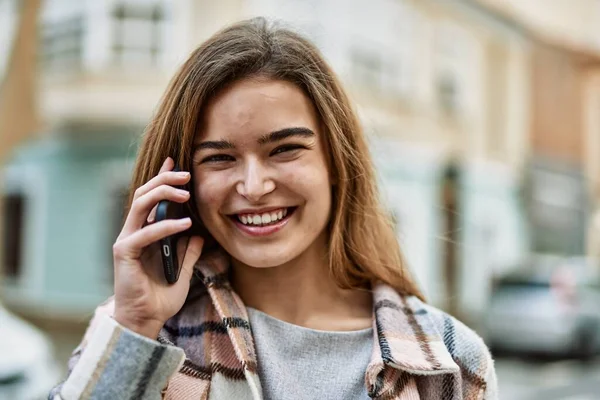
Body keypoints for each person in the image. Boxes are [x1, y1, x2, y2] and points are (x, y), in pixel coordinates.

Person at [49, 18, 497, 400]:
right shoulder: (139, 334)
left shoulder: (450, 360)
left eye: (284, 150)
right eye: (219, 158)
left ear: (336, 164)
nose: (255, 186)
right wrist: (136, 326)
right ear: (181, 185)